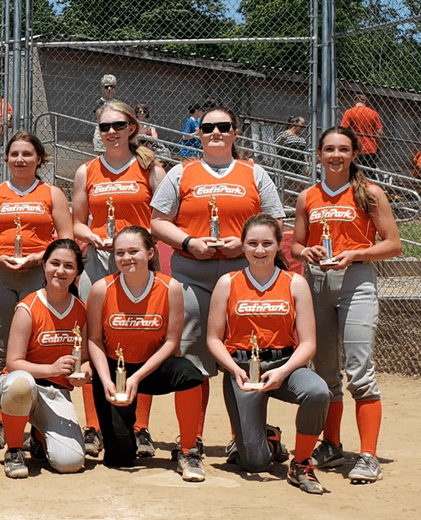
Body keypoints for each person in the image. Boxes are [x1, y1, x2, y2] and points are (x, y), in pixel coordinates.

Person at [149, 106, 285, 456]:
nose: (216, 133)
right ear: (198, 133)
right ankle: (191, 442)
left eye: (224, 127)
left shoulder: (253, 173)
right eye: (208, 127)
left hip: (243, 273)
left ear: (235, 132)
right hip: (193, 273)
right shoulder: (182, 172)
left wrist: (245, 243)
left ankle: (245, 438)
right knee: (193, 357)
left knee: (241, 355)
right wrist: (187, 242)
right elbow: (158, 221)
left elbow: (276, 221)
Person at [291, 126, 402, 485]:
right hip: (318, 282)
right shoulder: (308, 196)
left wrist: (357, 252)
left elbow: (393, 244)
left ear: (354, 154)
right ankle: (332, 444)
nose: (335, 155)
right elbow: (294, 245)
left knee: (359, 370)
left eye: (343, 149)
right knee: (325, 373)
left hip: (356, 279)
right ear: (319, 154)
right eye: (329, 149)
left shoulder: (370, 193)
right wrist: (304, 251)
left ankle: (368, 455)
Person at [207, 213, 330, 494]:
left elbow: (309, 343)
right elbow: (213, 339)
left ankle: (301, 463)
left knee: (318, 392)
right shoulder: (228, 282)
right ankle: (269, 438)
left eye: (266, 243)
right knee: (255, 464)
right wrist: (233, 369)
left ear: (278, 246)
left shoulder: (294, 283)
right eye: (252, 244)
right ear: (242, 246)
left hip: (284, 364)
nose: (259, 250)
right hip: (241, 368)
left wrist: (284, 371)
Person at [71, 99, 166, 457]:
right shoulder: (87, 171)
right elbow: (78, 219)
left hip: (138, 265)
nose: (110, 132)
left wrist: (143, 244)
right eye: (104, 127)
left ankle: (140, 428)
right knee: (92, 341)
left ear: (132, 128)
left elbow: (162, 218)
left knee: (142, 339)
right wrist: (91, 236)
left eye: (117, 125)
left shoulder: (151, 169)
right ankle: (93, 426)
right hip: (98, 261)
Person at [0, 131, 73, 450]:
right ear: (6, 158)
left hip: (36, 274)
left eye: (27, 154)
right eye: (14, 154)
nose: (20, 160)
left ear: (39, 158)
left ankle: (40, 426)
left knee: (38, 350)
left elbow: (65, 238)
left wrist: (38, 257)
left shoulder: (52, 193)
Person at [85, 226, 204, 478]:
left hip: (152, 368)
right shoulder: (101, 289)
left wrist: (137, 378)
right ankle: (117, 435)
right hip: (115, 372)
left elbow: (172, 342)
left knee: (191, 375)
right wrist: (106, 380)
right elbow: (94, 340)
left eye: (133, 251)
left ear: (150, 253)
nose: (126, 258)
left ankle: (189, 449)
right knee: (120, 459)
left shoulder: (169, 287)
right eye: (119, 253)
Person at [0, 239, 88, 478]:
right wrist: (53, 368)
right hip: (20, 386)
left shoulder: (81, 310)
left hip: (56, 392)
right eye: (55, 263)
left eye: (69, 266)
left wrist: (85, 373)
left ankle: (38, 435)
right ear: (44, 265)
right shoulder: (28, 307)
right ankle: (14, 449)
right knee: (21, 383)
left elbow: (85, 358)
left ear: (78, 271)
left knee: (70, 462)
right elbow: (13, 363)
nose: (60, 270)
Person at [340, 94, 383, 172]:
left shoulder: (349, 112)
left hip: (355, 147)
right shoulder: (373, 113)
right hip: (370, 148)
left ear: (354, 101)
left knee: (353, 171)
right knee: (369, 172)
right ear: (365, 101)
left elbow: (343, 130)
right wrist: (377, 146)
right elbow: (379, 131)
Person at [91, 74, 119, 153]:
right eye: (106, 87)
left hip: (113, 132)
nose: (109, 89)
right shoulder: (99, 102)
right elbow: (100, 118)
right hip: (102, 131)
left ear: (115, 88)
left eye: (112, 86)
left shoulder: (116, 103)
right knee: (101, 156)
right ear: (102, 89)